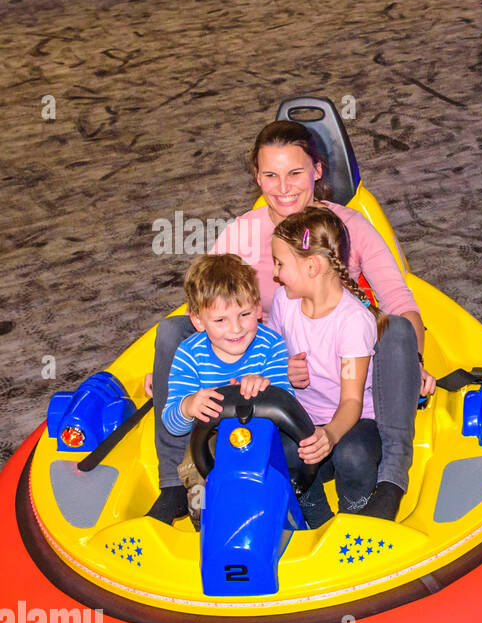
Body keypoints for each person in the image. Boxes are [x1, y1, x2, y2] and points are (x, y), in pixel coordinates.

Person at [147, 120, 429, 523]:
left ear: (317, 170)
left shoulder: (348, 227)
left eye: (295, 172)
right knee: (171, 332)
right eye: (270, 175)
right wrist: (170, 368)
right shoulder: (243, 233)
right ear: (256, 176)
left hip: (335, 359)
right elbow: (205, 303)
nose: (283, 188)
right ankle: (174, 485)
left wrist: (415, 365)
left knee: (397, 330)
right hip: (265, 358)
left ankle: (392, 479)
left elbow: (400, 302)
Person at [152, 256, 294, 521]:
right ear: (198, 321)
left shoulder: (271, 345)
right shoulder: (189, 355)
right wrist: (187, 406)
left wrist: (266, 388)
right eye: (220, 320)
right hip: (207, 444)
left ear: (258, 308)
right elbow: (172, 424)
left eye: (245, 315)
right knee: (196, 474)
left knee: (288, 461)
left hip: (262, 440)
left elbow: (288, 402)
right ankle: (204, 522)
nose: (236, 329)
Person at [268, 207, 383, 527]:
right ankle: (318, 522)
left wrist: (330, 435)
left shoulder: (352, 321)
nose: (275, 273)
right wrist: (283, 369)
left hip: (354, 421)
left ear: (312, 266)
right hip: (303, 418)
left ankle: (354, 519)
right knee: (279, 450)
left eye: (280, 264)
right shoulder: (283, 301)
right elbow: (269, 354)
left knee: (353, 455)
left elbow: (352, 401)